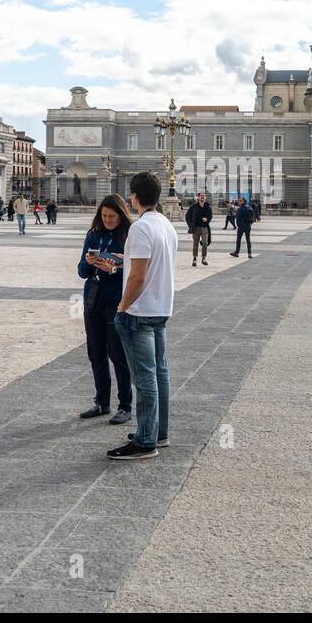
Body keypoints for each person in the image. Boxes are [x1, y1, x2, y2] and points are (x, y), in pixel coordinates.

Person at [108, 171, 178, 461]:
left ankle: (145, 440)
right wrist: (122, 260)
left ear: (134, 198)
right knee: (160, 373)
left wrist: (122, 307)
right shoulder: (165, 225)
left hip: (139, 312)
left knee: (144, 377)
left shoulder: (139, 228)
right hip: (161, 308)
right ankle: (159, 432)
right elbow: (149, 263)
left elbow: (138, 277)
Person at [78, 194, 134, 425]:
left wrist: (114, 269)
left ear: (121, 215)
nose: (108, 219)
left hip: (115, 301)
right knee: (95, 352)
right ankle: (101, 401)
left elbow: (134, 271)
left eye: (112, 216)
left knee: (118, 354)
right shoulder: (94, 235)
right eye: (104, 215)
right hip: (93, 299)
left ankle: (125, 405)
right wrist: (91, 264)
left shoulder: (129, 236)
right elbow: (81, 271)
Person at [185, 191, 213, 266]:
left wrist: (207, 219)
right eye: (201, 196)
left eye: (204, 196)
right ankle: (194, 258)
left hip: (204, 228)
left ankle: (203, 258)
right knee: (195, 244)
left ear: (205, 198)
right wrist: (190, 225)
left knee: (205, 243)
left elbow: (210, 216)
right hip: (196, 228)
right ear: (198, 197)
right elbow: (187, 216)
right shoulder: (193, 207)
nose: (202, 197)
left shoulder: (207, 207)